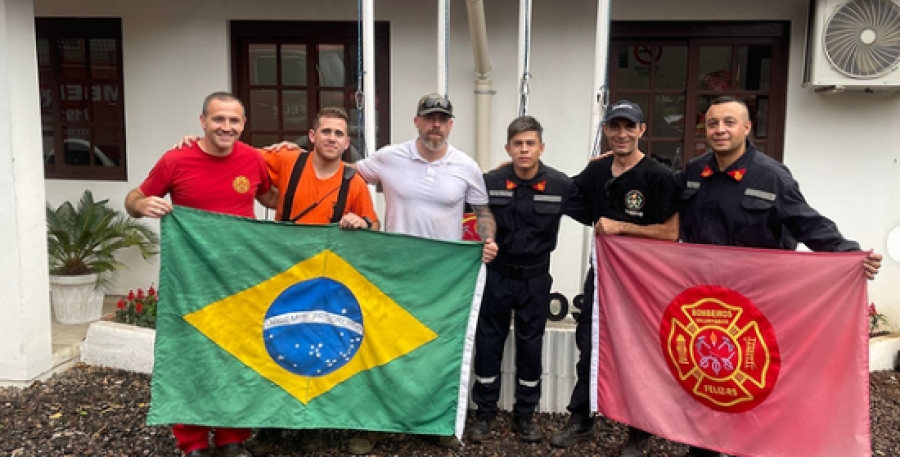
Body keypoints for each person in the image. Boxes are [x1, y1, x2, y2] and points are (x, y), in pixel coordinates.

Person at [675, 95, 881, 456]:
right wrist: (619, 167)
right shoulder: (694, 172)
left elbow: (807, 222)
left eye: (728, 122)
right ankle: (704, 446)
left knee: (752, 379)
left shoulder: (771, 177)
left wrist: (850, 255)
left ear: (746, 128)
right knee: (708, 374)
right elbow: (661, 201)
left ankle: (749, 446)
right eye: (712, 124)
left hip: (756, 304)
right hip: (706, 303)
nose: (719, 130)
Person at [340, 93, 498, 454]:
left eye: (443, 119)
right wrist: (291, 153)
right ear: (417, 122)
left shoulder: (466, 165)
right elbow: (343, 171)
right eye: (429, 118)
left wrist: (488, 240)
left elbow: (483, 211)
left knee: (439, 350)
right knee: (383, 347)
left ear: (451, 124)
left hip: (444, 278)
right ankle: (376, 423)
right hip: (393, 272)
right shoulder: (389, 157)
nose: (436, 125)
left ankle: (438, 424)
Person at [124, 91, 270, 457]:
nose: (226, 126)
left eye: (234, 120)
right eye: (218, 119)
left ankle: (232, 436)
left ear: (243, 125)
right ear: (202, 121)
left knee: (236, 354)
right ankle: (191, 441)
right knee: (190, 356)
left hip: (241, 278)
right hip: (190, 278)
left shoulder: (253, 159)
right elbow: (134, 199)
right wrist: (142, 204)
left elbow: (271, 198)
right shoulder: (176, 160)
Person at [241, 107, 379, 456]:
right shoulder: (288, 160)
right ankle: (271, 426)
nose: (332, 138)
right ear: (312, 135)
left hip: (325, 283)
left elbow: (374, 227)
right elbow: (235, 155)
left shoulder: (354, 181)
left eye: (339, 134)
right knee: (275, 346)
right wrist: (195, 143)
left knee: (318, 350)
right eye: (326, 131)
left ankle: (310, 425)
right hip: (283, 274)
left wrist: (359, 223)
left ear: (347, 143)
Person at [548, 100, 680, 457]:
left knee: (640, 352)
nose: (621, 133)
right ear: (605, 130)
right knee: (589, 343)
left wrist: (621, 226)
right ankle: (581, 418)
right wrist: (517, 168)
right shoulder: (598, 172)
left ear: (642, 130)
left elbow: (670, 232)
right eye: (614, 127)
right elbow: (561, 191)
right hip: (603, 278)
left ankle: (639, 432)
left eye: (629, 127)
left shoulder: (658, 176)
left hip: (645, 285)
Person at [468, 116, 580, 444]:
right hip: (497, 275)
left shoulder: (560, 184)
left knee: (531, 346)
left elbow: (592, 204)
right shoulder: (491, 181)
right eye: (518, 144)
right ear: (508, 148)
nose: (524, 149)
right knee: (489, 343)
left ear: (541, 147)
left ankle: (525, 416)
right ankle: (485, 414)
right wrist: (481, 240)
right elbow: (467, 210)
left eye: (530, 143)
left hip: (535, 279)